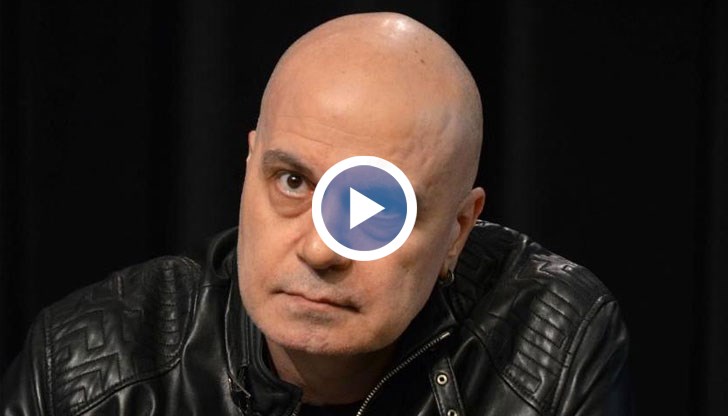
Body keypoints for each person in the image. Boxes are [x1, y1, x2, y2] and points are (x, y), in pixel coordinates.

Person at [1, 12, 630, 416]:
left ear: (456, 233)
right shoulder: (87, 366)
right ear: (248, 169)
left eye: (379, 206)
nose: (321, 250)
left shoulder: (552, 346)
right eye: (294, 182)